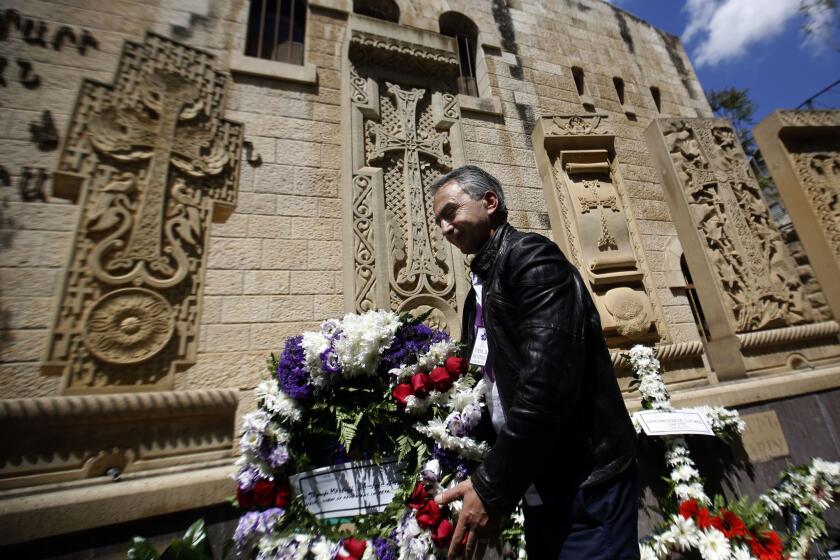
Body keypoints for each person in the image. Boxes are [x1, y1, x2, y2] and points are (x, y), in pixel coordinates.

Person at [430, 165, 639, 560]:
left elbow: (547, 385)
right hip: (536, 473)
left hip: (584, 479)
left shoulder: (531, 259)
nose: (445, 228)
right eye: (440, 220)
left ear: (489, 202)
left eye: (451, 212)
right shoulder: (483, 282)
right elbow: (483, 374)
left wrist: (491, 485)